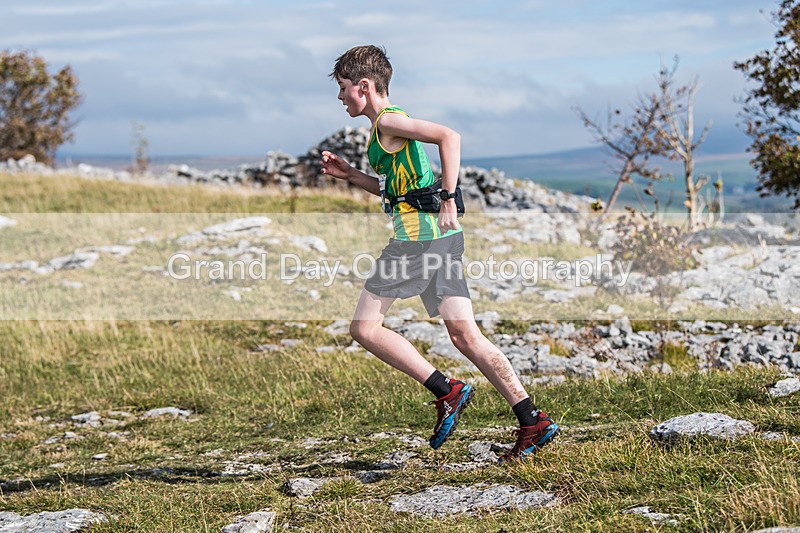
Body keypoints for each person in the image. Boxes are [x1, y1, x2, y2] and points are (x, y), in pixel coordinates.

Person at [319, 44, 558, 462]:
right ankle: (531, 419)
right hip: (438, 239)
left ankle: (447, 391)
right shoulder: (385, 131)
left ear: (364, 85)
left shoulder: (390, 121)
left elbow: (450, 136)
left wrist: (448, 197)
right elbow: (396, 190)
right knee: (465, 335)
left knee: (364, 329)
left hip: (416, 241)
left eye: (343, 89)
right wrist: (351, 175)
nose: (340, 98)